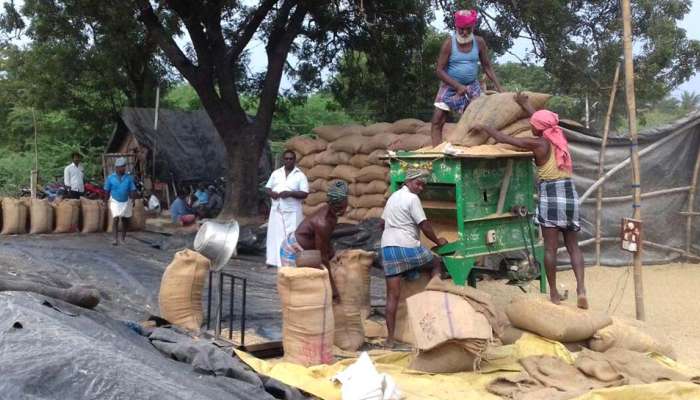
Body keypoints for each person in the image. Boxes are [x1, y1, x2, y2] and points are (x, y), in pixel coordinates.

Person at [473, 92, 587, 309]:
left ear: (538, 129)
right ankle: (581, 289)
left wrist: (485, 128)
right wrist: (526, 105)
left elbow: (506, 139)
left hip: (551, 193)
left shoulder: (538, 144)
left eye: (532, 125)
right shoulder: (558, 136)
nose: (530, 126)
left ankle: (553, 293)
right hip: (569, 192)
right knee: (574, 246)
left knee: (550, 249)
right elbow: (543, 121)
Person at [380, 169, 448, 347]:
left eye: (423, 185)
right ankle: (436, 297)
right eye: (418, 183)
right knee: (436, 262)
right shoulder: (412, 199)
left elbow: (381, 223)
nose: (421, 188)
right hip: (407, 247)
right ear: (408, 182)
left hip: (387, 249)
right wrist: (437, 241)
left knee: (392, 296)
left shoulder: (393, 196)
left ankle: (390, 340)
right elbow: (424, 225)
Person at [431, 9, 503, 146]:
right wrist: (457, 86)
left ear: (473, 27)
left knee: (476, 121)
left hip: (472, 86)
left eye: (468, 29)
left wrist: (500, 88)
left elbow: (487, 66)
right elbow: (439, 71)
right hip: (450, 86)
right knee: (437, 120)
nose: (464, 33)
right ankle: (436, 152)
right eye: (461, 29)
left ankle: (469, 148)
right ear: (456, 27)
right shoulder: (449, 44)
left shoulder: (479, 42)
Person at [279, 180, 349, 301]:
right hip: (292, 250)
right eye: (340, 206)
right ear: (333, 205)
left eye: (344, 205)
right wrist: (334, 290)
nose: (343, 209)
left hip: (305, 249)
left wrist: (331, 253)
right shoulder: (323, 222)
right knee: (298, 291)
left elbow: (327, 239)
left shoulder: (331, 214)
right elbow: (321, 257)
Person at [265, 150, 309, 268]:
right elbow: (267, 188)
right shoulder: (276, 173)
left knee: (291, 237)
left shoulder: (300, 175)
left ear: (294, 160)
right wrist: (272, 193)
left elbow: (305, 194)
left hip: (292, 211)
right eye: (286, 158)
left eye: (291, 159)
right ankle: (274, 261)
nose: (288, 161)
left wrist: (290, 193)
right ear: (283, 160)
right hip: (277, 209)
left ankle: (290, 262)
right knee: (275, 235)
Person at [104, 157, 138, 246]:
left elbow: (133, 189)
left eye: (124, 166)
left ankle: (122, 238)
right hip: (115, 200)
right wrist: (105, 201)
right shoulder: (110, 178)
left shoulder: (129, 178)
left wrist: (133, 199)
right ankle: (115, 239)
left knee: (125, 220)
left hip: (126, 200)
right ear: (116, 168)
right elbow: (107, 190)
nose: (123, 168)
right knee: (115, 218)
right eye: (121, 167)